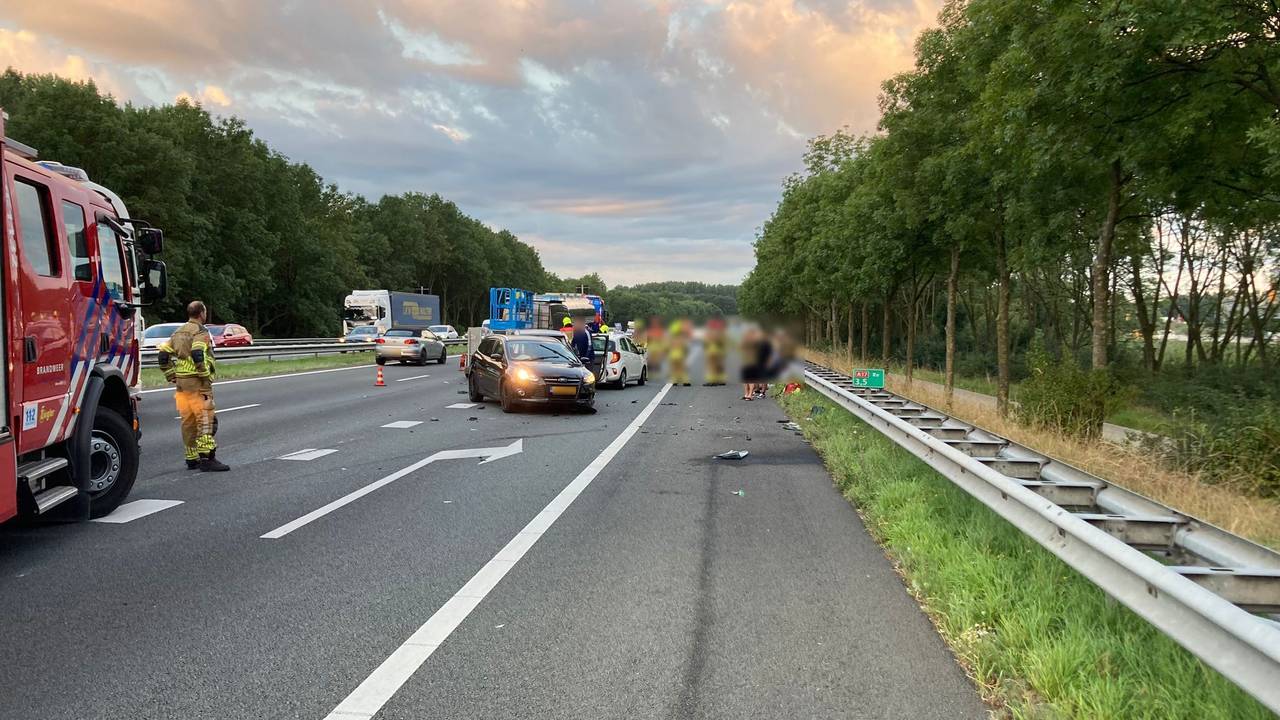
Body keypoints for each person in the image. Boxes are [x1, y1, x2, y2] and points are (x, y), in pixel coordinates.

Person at [156, 301, 229, 472]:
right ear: (201, 313)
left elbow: (162, 355)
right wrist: (204, 375)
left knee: (188, 421)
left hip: (182, 384)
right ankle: (207, 458)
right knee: (205, 419)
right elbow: (198, 353)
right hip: (197, 383)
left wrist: (170, 374)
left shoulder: (178, 332)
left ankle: (191, 458)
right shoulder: (200, 331)